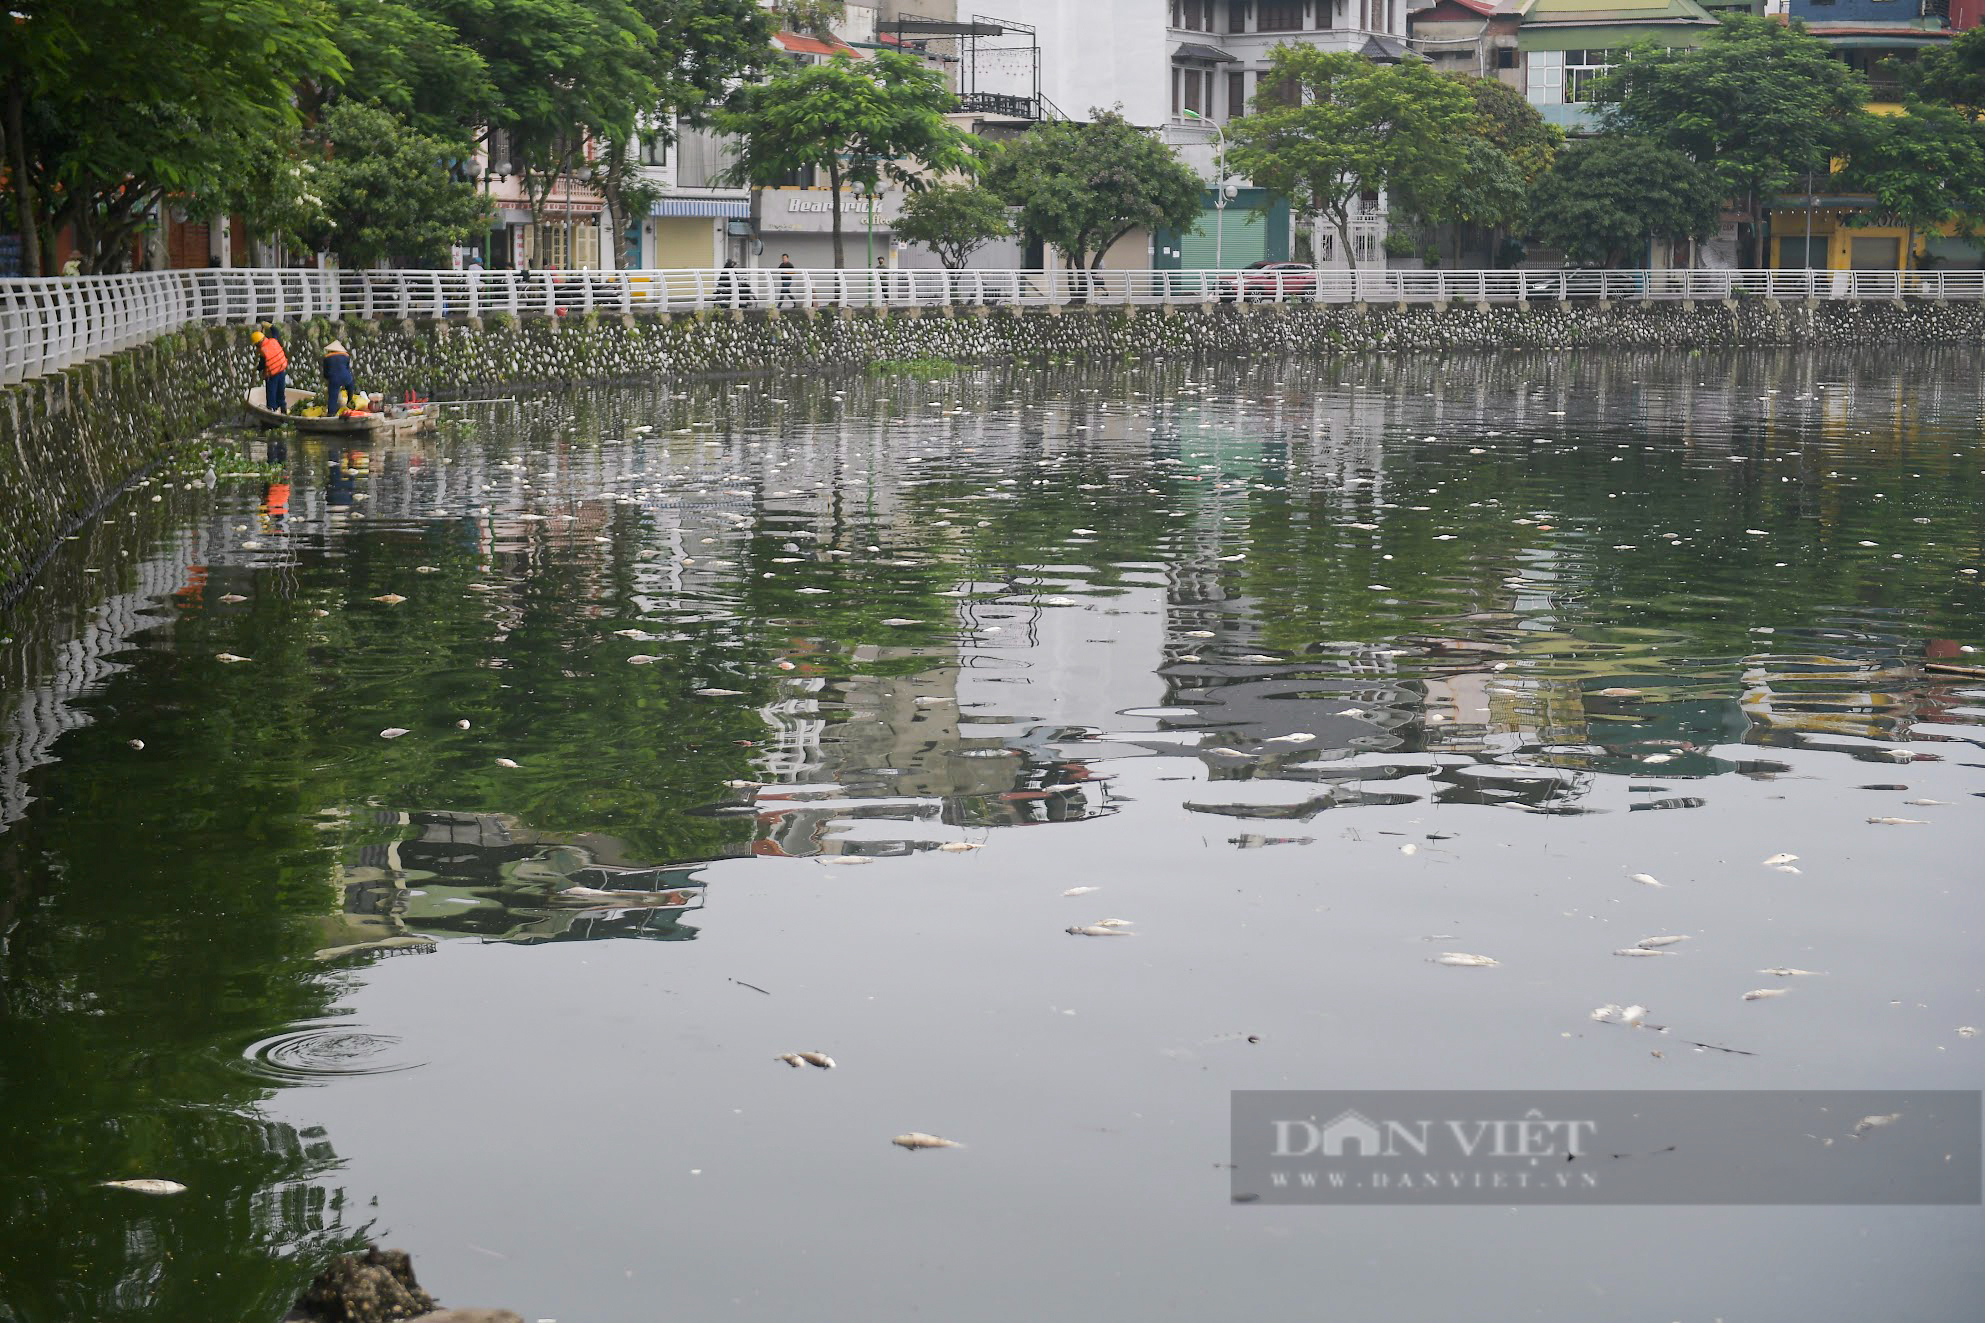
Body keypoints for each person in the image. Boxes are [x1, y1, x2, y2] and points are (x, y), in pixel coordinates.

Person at [250, 328, 289, 413]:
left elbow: (262, 365)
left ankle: (272, 410)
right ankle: (283, 408)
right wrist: (270, 326)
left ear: (257, 343)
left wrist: (256, 369)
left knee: (271, 393)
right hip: (281, 371)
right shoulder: (273, 341)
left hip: (272, 375)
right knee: (280, 391)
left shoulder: (264, 351)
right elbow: (276, 331)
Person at [322, 339, 356, 414]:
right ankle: (350, 402)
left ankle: (331, 414)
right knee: (350, 387)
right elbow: (347, 368)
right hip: (346, 377)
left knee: (333, 397)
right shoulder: (346, 356)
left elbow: (326, 372)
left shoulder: (327, 358)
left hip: (334, 379)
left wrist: (328, 379)